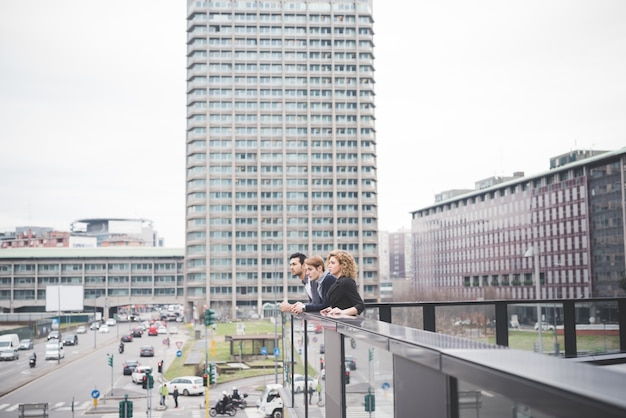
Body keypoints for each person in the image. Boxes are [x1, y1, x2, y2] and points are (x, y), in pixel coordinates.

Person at [320, 250, 365, 316]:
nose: (329, 266)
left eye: (333, 263)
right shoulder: (338, 282)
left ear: (342, 265)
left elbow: (360, 306)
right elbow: (342, 304)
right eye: (329, 263)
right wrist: (331, 309)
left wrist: (342, 312)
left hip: (347, 324)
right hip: (339, 322)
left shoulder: (347, 282)